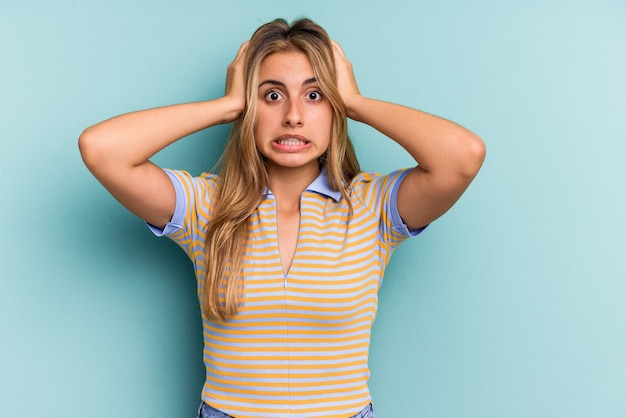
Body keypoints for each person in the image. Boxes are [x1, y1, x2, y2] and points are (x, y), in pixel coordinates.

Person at [79, 17, 485, 418]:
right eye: (272, 96)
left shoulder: (374, 206)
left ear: (335, 107)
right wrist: (227, 106)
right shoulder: (205, 207)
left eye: (314, 95)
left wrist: (357, 103)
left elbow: (463, 156)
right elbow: (100, 149)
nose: (293, 115)